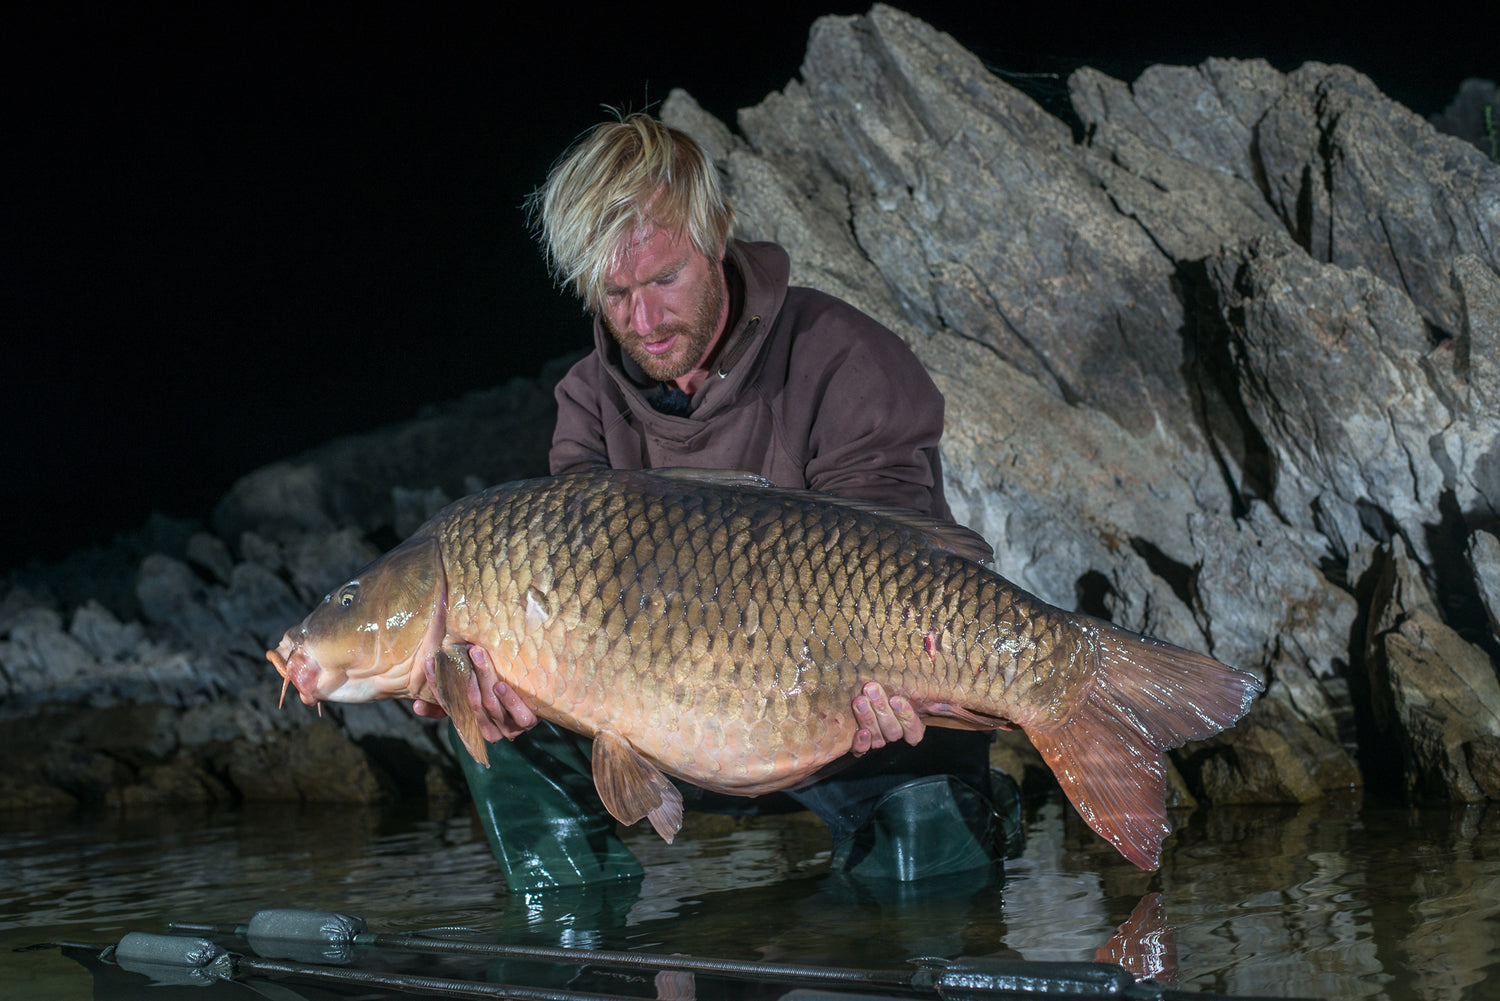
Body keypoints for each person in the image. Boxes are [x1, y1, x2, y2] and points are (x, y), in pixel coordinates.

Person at [417, 113, 1006, 890]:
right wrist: (491, 687)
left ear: (717, 234)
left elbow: (894, 566)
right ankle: (576, 947)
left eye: (664, 280)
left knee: (925, 876)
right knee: (487, 727)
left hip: (839, 714)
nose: (644, 320)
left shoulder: (844, 358)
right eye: (615, 293)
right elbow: (564, 593)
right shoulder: (588, 402)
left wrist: (899, 683)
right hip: (670, 727)